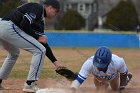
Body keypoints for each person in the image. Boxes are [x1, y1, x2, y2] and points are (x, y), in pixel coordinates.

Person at [0, 0, 64, 92]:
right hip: (8, 26)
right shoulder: (38, 8)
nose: (56, 14)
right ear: (50, 8)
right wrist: (37, 37)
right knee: (40, 50)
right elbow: (24, 24)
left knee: (14, 53)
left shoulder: (40, 21)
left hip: (3, 25)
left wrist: (56, 63)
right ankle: (30, 84)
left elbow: (43, 43)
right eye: (56, 11)